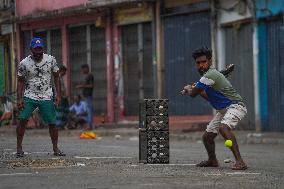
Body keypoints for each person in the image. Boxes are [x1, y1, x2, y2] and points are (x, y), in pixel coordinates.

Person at [182, 47, 247, 170]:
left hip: (236, 106)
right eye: (198, 63)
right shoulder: (208, 77)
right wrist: (198, 89)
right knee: (207, 137)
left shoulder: (210, 75)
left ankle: (240, 161)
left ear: (210, 61)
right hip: (223, 109)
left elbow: (192, 94)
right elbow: (209, 97)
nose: (201, 65)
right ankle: (212, 160)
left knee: (223, 128)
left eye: (204, 62)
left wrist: (188, 88)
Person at [16, 37, 65, 157]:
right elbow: (21, 81)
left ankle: (55, 148)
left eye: (40, 49)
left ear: (43, 49)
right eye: (35, 50)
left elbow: (56, 77)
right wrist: (20, 98)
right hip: (30, 95)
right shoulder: (24, 63)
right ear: (31, 49)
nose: (38, 52)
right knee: (22, 120)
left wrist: (58, 94)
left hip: (46, 95)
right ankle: (19, 148)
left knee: (52, 123)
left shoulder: (50, 60)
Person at [76, 64, 94, 130]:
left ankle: (89, 126)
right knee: (88, 111)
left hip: (88, 96)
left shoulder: (90, 75)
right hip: (86, 96)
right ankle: (88, 126)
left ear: (86, 68)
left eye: (83, 69)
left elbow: (91, 85)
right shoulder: (86, 76)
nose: (82, 71)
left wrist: (82, 86)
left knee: (89, 111)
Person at [55, 65, 69, 129]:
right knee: (60, 111)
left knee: (64, 110)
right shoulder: (58, 78)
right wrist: (60, 97)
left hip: (63, 97)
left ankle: (63, 124)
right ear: (61, 71)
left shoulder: (61, 78)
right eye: (64, 72)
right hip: (60, 97)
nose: (65, 73)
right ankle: (58, 125)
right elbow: (59, 89)